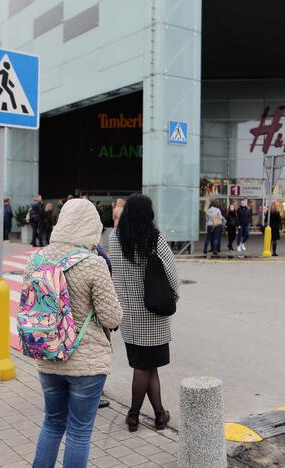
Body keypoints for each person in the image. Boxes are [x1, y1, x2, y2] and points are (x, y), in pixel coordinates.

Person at [31, 199, 122, 468]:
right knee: (80, 432)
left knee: (52, 423)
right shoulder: (93, 264)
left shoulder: (36, 259)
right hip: (86, 363)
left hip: (48, 357)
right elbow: (111, 317)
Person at [108, 194, 178, 433]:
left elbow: (114, 274)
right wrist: (173, 298)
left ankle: (160, 414)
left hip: (128, 315)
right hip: (153, 315)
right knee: (144, 368)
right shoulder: (155, 239)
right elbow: (171, 275)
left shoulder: (115, 239)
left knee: (147, 367)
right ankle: (133, 414)